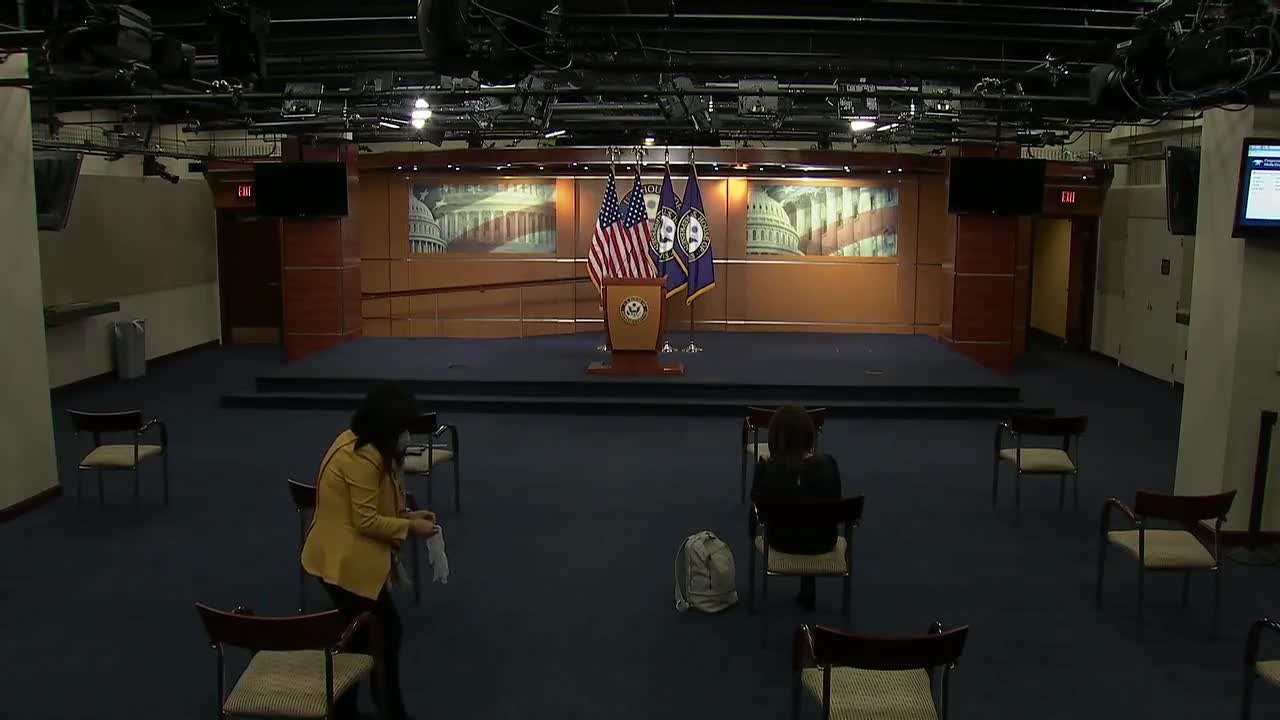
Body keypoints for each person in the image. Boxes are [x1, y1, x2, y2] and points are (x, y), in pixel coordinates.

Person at [301, 383, 438, 720]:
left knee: (366, 638)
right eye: (401, 428)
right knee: (383, 633)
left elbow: (375, 506)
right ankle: (386, 706)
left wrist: (407, 515)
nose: (406, 435)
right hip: (343, 562)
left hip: (345, 555)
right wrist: (409, 528)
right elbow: (365, 521)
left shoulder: (364, 446)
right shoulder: (361, 458)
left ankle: (354, 707)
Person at [748, 405, 842, 610]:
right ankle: (809, 587)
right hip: (824, 541)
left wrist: (751, 533)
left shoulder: (766, 468)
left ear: (773, 438)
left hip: (781, 540)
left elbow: (757, 508)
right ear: (809, 436)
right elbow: (835, 499)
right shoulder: (829, 464)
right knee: (810, 508)